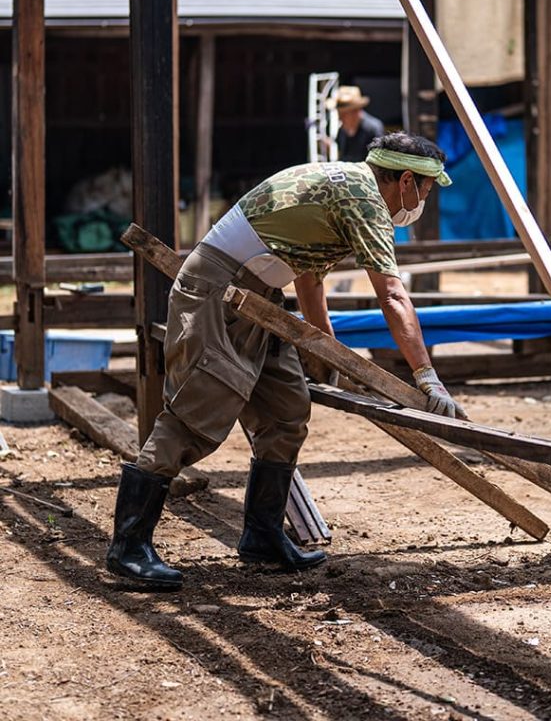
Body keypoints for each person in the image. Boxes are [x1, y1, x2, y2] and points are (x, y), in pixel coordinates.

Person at [106, 132, 463, 590]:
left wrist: (325, 351)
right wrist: (426, 376)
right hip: (219, 292)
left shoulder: (343, 186)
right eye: (427, 191)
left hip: (260, 297)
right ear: (407, 182)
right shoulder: (365, 198)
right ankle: (129, 547)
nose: (423, 203)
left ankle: (263, 535)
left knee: (286, 412)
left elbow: (310, 279)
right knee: (196, 414)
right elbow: (391, 293)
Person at [333, 85, 385, 163]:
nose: (340, 118)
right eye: (339, 113)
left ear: (356, 111)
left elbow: (377, 161)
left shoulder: (373, 129)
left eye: (344, 114)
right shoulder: (342, 131)